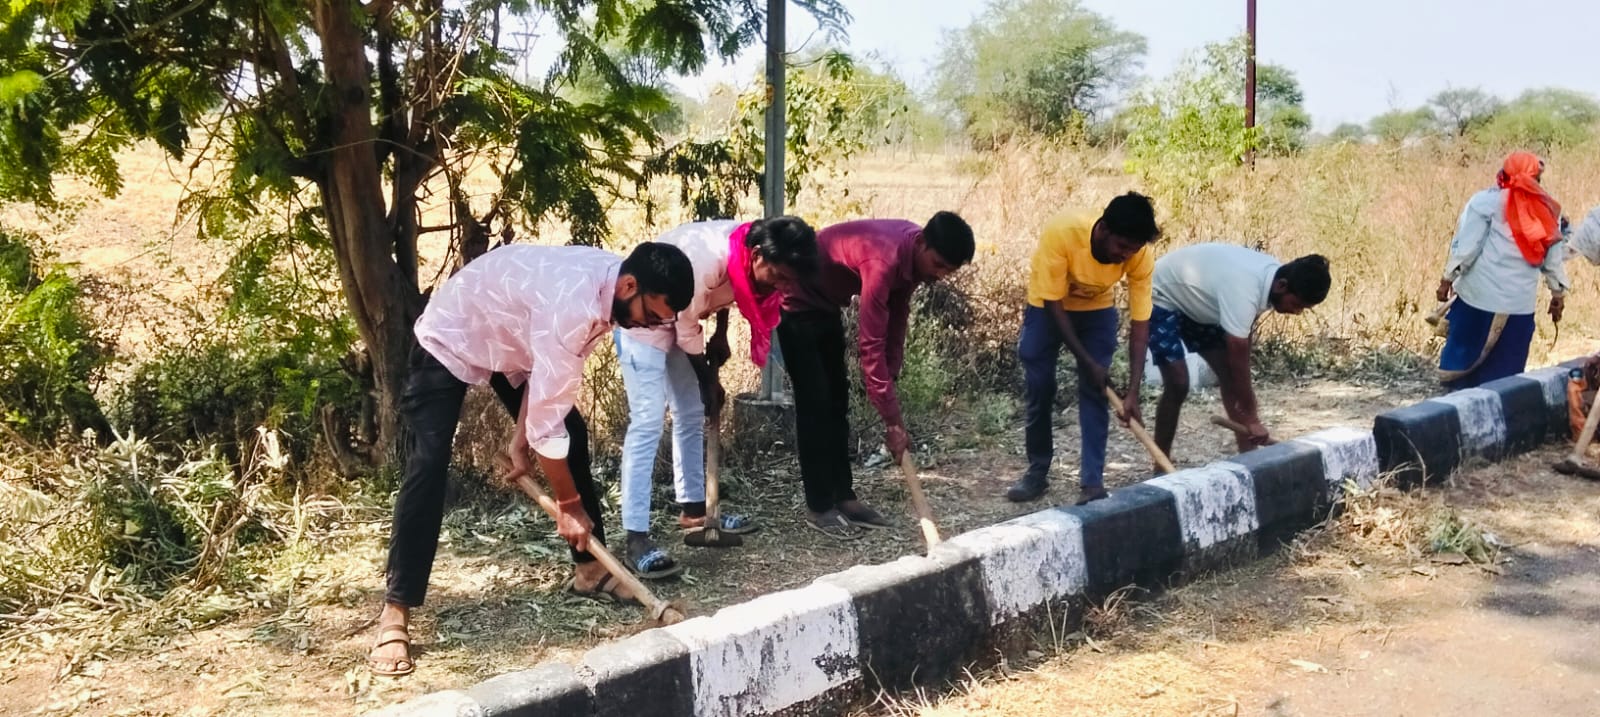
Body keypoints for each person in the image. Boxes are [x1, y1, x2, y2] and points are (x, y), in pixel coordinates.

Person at [367, 242, 694, 677]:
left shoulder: (611, 293)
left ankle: (590, 572)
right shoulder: (575, 307)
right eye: (652, 316)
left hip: (512, 336)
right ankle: (396, 610)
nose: (651, 326)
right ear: (630, 285)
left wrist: (521, 443)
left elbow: (547, 384)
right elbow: (547, 424)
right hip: (455, 330)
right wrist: (569, 506)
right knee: (429, 464)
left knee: (571, 433)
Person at [613, 217, 818, 578]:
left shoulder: (743, 249)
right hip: (644, 322)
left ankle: (696, 511)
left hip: (681, 317)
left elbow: (724, 293)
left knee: (691, 412)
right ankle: (636, 539)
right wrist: (708, 379)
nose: (782, 286)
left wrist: (721, 334)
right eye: (780, 276)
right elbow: (686, 322)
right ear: (757, 256)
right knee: (647, 422)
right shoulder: (704, 258)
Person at [778, 212, 976, 539]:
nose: (940, 275)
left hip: (826, 306)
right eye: (938, 265)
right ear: (923, 242)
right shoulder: (884, 259)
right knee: (816, 406)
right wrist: (892, 420)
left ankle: (844, 496)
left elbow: (898, 318)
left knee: (837, 404)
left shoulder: (914, 260)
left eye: (947, 271)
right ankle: (819, 506)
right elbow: (870, 346)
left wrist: (892, 375)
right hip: (794, 303)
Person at [1007, 192, 1161, 505]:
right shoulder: (1063, 233)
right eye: (1121, 247)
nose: (1125, 256)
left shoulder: (1138, 255)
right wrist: (1087, 360)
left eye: (1132, 250)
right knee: (1040, 386)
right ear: (1103, 229)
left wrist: (1132, 391)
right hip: (1047, 305)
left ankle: (1092, 482)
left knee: (1095, 389)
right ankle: (1037, 470)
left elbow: (1140, 322)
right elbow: (1053, 302)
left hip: (1097, 308)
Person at [1148, 244, 1332, 458]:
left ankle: (1249, 458)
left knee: (1230, 378)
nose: (1297, 312)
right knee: (1178, 384)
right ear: (1282, 286)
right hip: (1160, 294)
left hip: (1200, 303)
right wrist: (1252, 419)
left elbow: (1241, 349)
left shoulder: (1271, 279)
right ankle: (1160, 465)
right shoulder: (1245, 287)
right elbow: (1239, 356)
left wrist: (1249, 419)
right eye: (1297, 304)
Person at [1435, 151, 1568, 389]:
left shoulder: (1485, 202)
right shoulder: (1547, 210)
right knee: (1504, 379)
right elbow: (1553, 260)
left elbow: (1467, 247)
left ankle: (1456, 415)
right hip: (1518, 306)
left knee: (1461, 369)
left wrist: (1447, 278)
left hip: (1477, 299)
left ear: (1505, 173)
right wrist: (1557, 294)